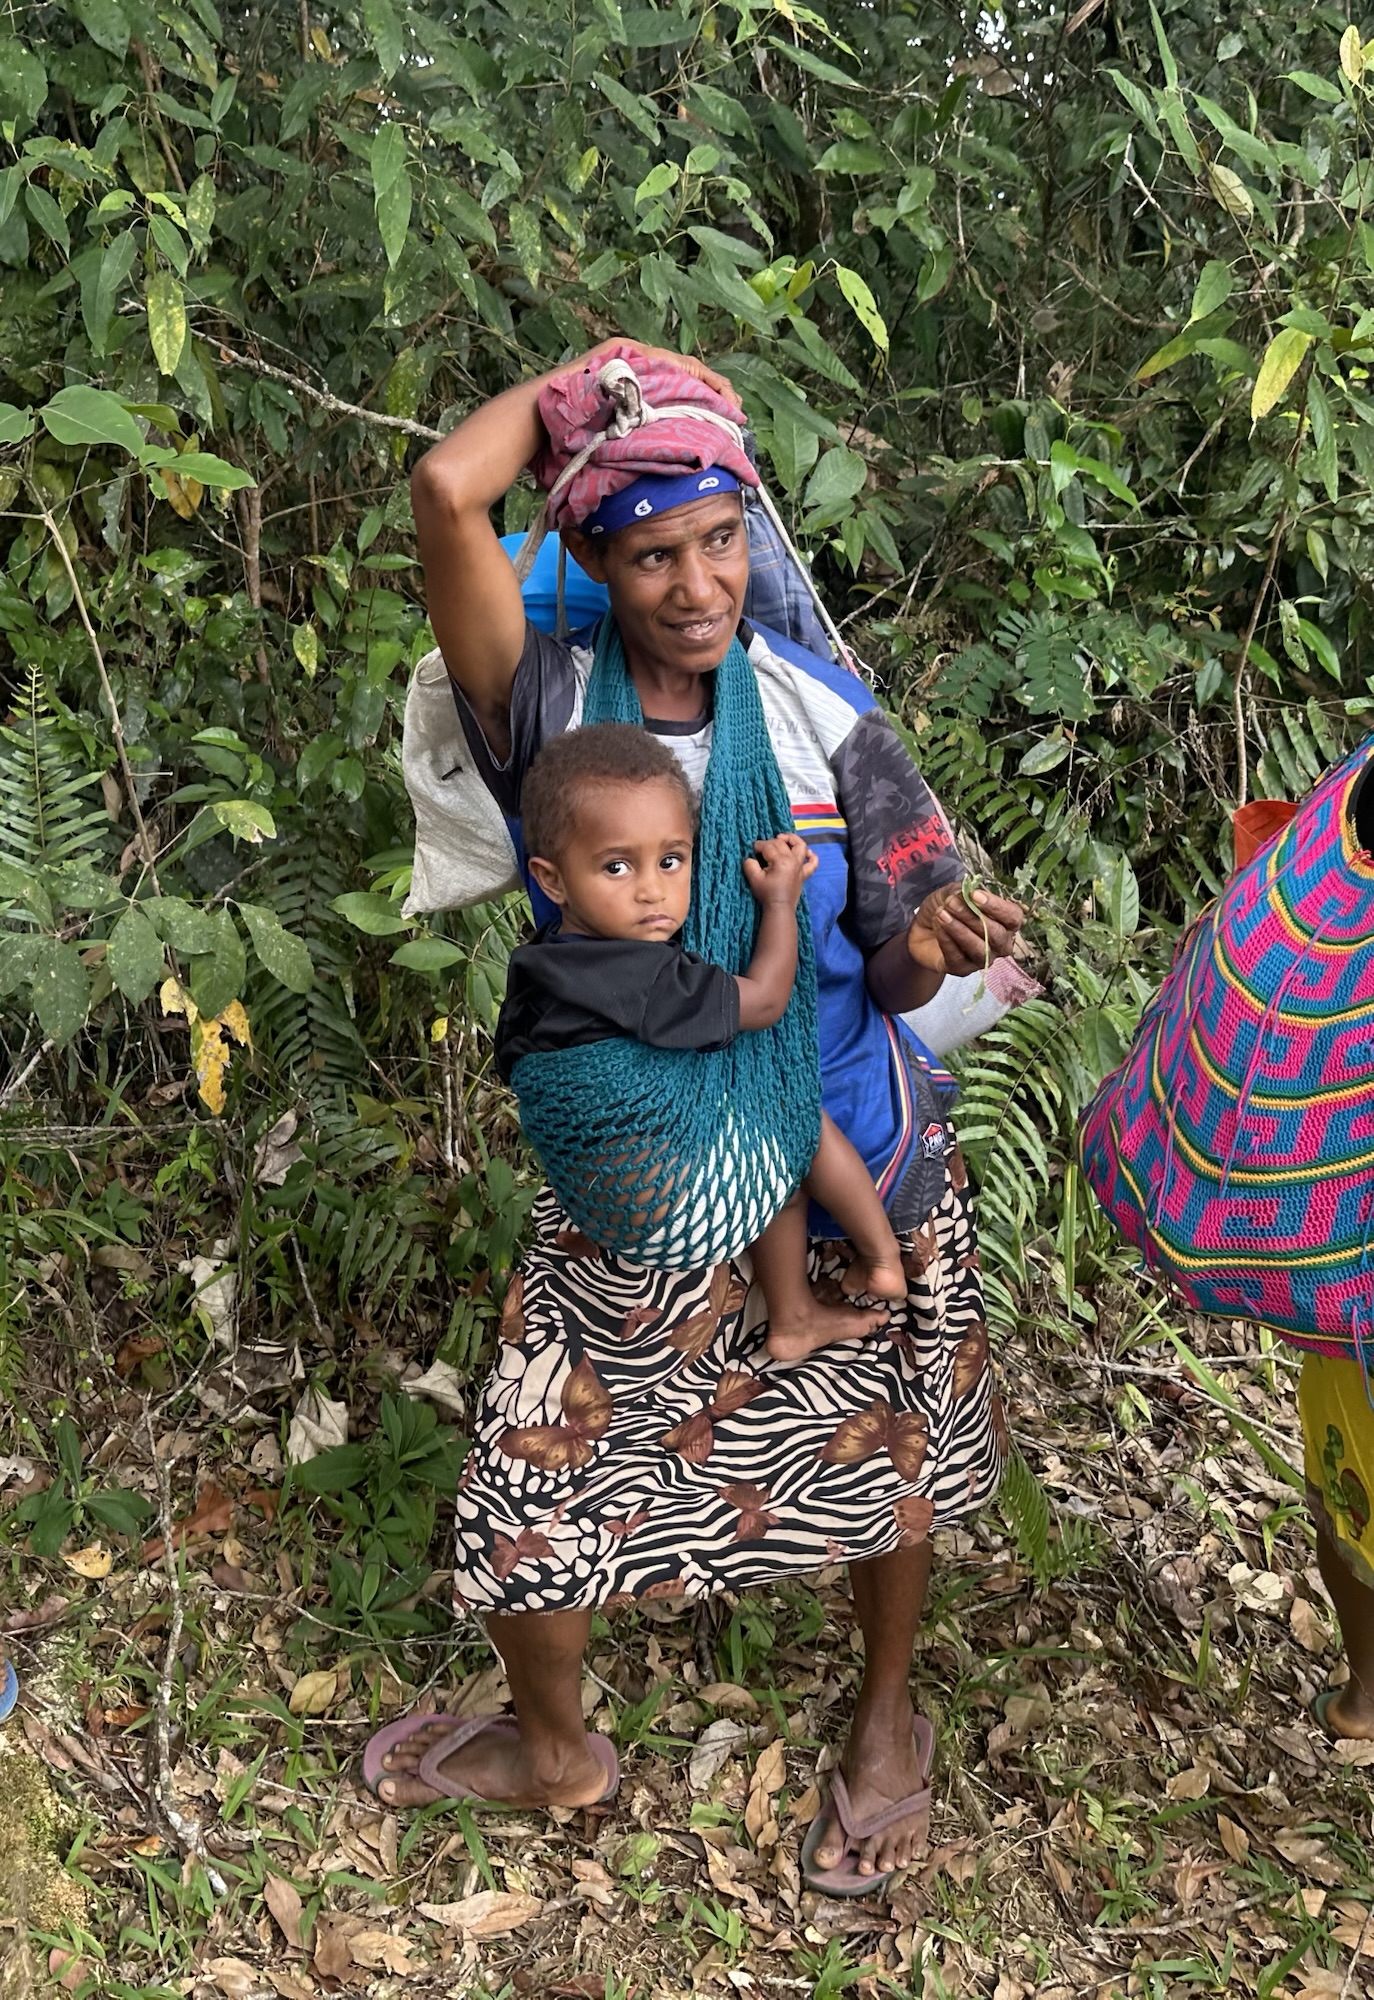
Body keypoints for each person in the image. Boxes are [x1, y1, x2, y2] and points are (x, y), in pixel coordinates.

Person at [367, 340, 1024, 1893]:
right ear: (594, 560)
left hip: (840, 1134)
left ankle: (884, 1722)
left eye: (721, 540)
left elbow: (892, 954)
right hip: (640, 1168)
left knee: (887, 1451)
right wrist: (594, 388)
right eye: (652, 552)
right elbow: (447, 491)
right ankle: (555, 1749)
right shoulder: (547, 703)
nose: (696, 585)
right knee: (535, 1457)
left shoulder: (818, 718)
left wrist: (932, 945)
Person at [496, 723, 906, 1361]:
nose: (652, 890)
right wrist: (779, 902)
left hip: (607, 1205)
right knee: (789, 1108)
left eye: (671, 861)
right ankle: (882, 1260)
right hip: (682, 1202)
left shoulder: (539, 964)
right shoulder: (643, 976)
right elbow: (766, 1000)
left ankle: (793, 1320)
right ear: (552, 881)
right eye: (616, 866)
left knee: (758, 1138)